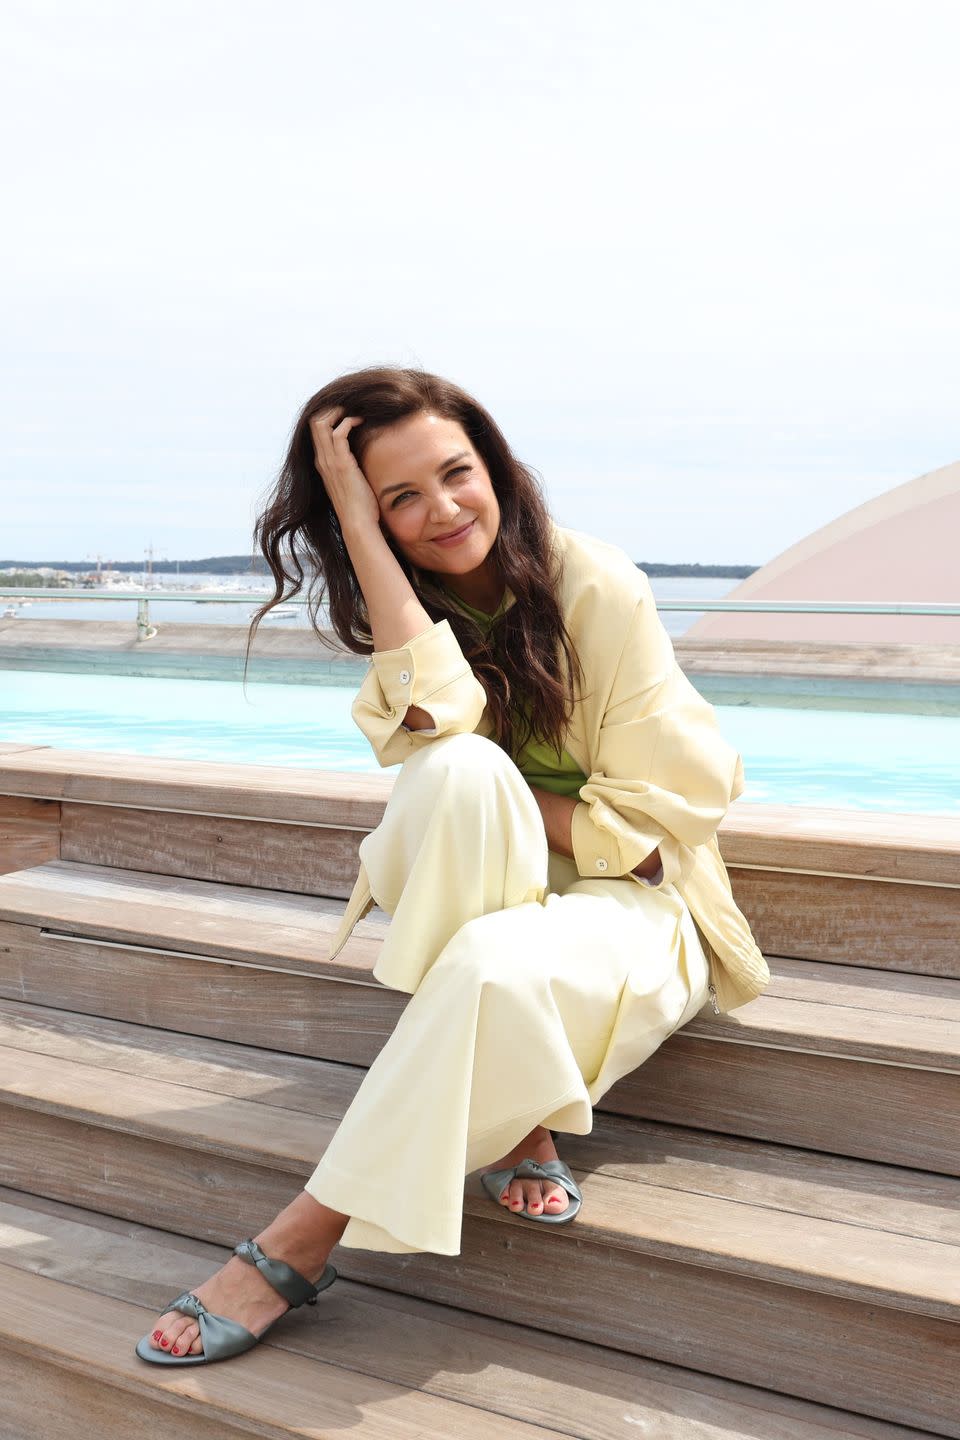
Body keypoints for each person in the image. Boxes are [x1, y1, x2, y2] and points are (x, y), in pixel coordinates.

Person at [136, 366, 769, 1367]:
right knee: (455, 774)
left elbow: (654, 834)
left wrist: (538, 812)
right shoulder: (413, 604)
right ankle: (519, 1128)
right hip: (508, 882)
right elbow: (435, 725)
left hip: (638, 912)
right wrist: (352, 520)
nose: (442, 510)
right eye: (398, 498)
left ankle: (301, 1240)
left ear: (496, 467)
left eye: (455, 473)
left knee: (483, 951)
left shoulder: (594, 584)